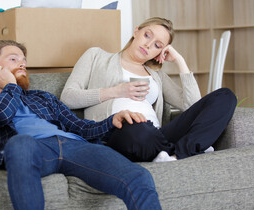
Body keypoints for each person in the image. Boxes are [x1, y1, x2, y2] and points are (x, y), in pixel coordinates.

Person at [0, 39, 175, 210]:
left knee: (138, 176)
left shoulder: (42, 97)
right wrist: (11, 87)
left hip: (75, 146)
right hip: (34, 148)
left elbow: (78, 126)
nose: (22, 64)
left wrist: (111, 121)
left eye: (24, 60)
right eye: (13, 59)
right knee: (20, 144)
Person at [60, 17, 237, 163]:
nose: (148, 45)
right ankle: (189, 149)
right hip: (120, 131)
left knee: (225, 96)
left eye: (158, 46)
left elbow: (192, 105)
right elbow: (68, 97)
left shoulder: (156, 76)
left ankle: (175, 156)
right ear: (136, 31)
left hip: (156, 134)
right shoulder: (96, 56)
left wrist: (180, 61)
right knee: (137, 129)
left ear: (160, 53)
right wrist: (118, 91)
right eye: (147, 35)